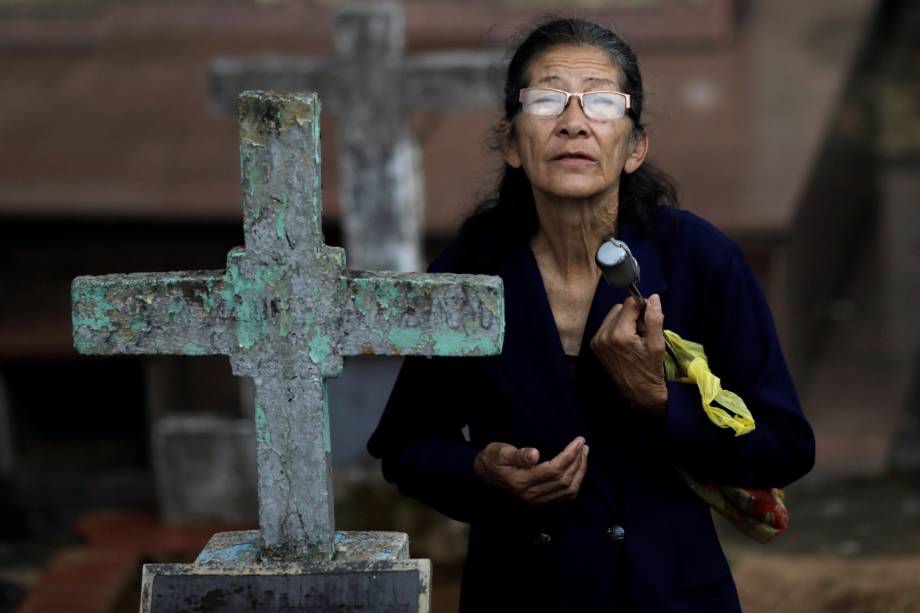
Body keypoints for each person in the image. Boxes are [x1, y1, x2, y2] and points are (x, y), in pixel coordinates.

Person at [368, 17, 815, 612]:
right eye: (548, 98)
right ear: (510, 143)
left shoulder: (697, 260)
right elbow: (405, 445)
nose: (574, 121)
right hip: (522, 589)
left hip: (668, 592)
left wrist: (659, 399)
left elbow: (785, 445)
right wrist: (481, 469)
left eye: (602, 102)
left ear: (634, 148)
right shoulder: (473, 268)